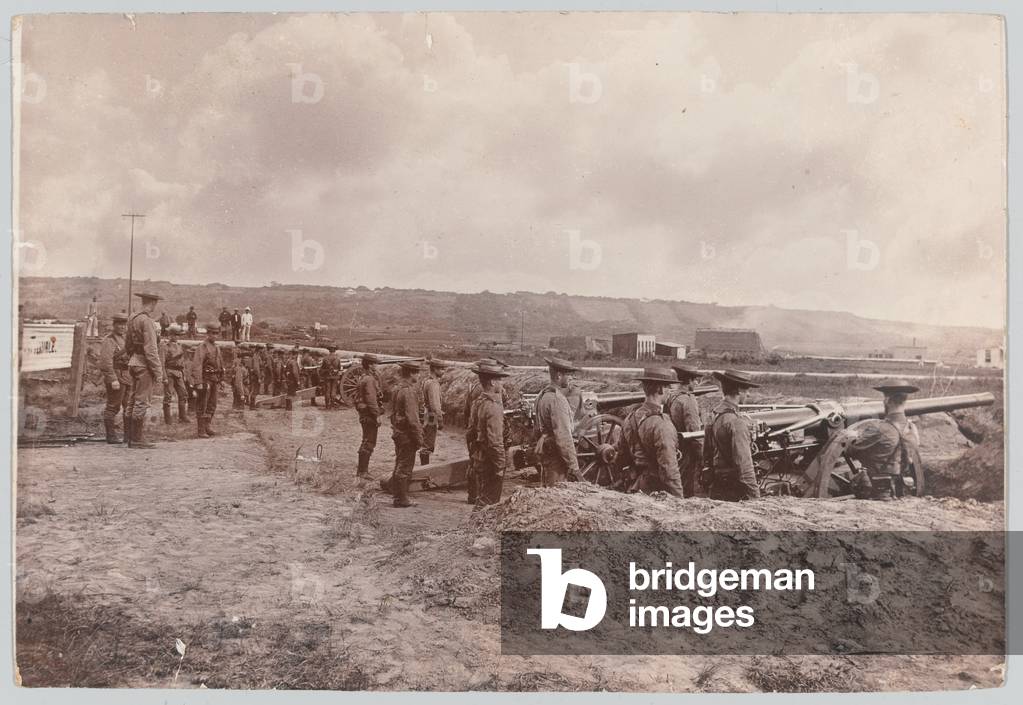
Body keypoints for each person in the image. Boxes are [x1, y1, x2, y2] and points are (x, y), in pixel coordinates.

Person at [844, 379, 923, 499]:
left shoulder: (878, 429)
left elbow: (851, 450)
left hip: (876, 492)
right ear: (904, 401)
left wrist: (851, 437)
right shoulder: (913, 429)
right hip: (902, 490)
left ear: (887, 400)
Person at [614, 368, 684, 497]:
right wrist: (679, 498)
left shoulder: (630, 418)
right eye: (668, 386)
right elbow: (669, 469)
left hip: (635, 486)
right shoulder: (661, 424)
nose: (670, 390)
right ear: (660, 389)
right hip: (656, 490)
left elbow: (621, 457)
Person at [703, 369, 761, 501]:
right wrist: (756, 499)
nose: (748, 394)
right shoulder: (737, 422)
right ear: (739, 391)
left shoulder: (714, 415)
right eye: (746, 391)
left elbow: (706, 454)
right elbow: (745, 468)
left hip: (717, 486)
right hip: (733, 491)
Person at [125, 292, 166, 449]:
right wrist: (158, 372)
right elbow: (151, 349)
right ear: (153, 303)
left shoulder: (132, 318)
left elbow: (128, 344)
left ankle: (128, 437)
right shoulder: (147, 321)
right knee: (142, 401)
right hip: (144, 365)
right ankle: (136, 439)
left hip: (134, 362)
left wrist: (133, 356)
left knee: (132, 399)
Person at [534, 357, 581, 486]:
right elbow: (563, 436)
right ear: (559, 375)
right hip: (557, 458)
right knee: (556, 494)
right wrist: (574, 467)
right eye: (569, 374)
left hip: (546, 453)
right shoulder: (557, 399)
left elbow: (537, 429)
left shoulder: (542, 395)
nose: (571, 378)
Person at [468, 361, 509, 506]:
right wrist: (500, 465)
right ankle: (478, 527)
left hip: (480, 457)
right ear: (492, 382)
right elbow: (495, 441)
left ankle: (475, 526)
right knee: (490, 502)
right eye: (499, 379)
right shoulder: (493, 407)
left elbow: (470, 432)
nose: (501, 383)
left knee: (482, 497)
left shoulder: (478, 402)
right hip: (490, 460)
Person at [664, 363, 705, 497]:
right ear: (689, 381)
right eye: (695, 380)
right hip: (687, 450)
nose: (696, 383)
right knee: (688, 486)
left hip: (675, 447)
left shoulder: (672, 397)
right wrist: (702, 457)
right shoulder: (688, 400)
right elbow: (694, 432)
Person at [389, 360, 425, 508]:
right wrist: (419, 438)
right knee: (404, 466)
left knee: (399, 463)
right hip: (407, 434)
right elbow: (413, 419)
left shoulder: (397, 388)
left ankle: (397, 495)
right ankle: (401, 499)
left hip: (398, 432)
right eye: (417, 372)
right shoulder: (409, 391)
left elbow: (393, 413)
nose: (419, 375)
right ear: (411, 373)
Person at [98, 312, 130, 443]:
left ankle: (129, 436)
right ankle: (111, 436)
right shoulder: (109, 340)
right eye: (119, 324)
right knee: (113, 407)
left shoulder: (125, 339)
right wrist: (113, 379)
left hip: (128, 377)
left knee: (129, 407)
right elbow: (106, 362)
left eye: (124, 324)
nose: (122, 327)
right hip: (116, 376)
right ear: (114, 325)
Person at [192, 323, 224, 437]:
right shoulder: (202, 347)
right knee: (202, 403)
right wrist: (198, 382)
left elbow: (220, 364)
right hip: (205, 379)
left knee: (212, 404)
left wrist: (221, 379)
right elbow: (197, 365)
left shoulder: (217, 347)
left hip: (214, 379)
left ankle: (207, 426)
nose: (215, 335)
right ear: (208, 333)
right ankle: (201, 430)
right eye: (213, 333)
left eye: (217, 333)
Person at [354, 354, 383, 477]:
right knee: (369, 442)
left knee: (366, 440)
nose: (376, 366)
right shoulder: (370, 380)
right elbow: (371, 400)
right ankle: (363, 472)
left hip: (364, 413)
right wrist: (377, 415)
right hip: (369, 414)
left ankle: (361, 470)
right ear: (370, 365)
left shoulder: (363, 377)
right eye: (375, 363)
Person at [159, 325, 190, 424]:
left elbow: (182, 363)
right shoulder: (164, 346)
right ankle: (168, 420)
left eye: (178, 335)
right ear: (170, 335)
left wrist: (183, 374)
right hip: (169, 372)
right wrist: (164, 377)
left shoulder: (180, 346)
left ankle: (182, 417)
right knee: (168, 396)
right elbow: (162, 362)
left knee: (183, 394)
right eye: (175, 335)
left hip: (179, 373)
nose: (177, 337)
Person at [419, 358, 446, 465]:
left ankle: (424, 466)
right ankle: (424, 468)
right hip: (431, 415)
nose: (443, 371)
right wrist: (440, 420)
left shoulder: (426, 381)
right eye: (441, 369)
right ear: (434, 369)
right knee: (428, 444)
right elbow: (435, 406)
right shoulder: (433, 384)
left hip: (427, 413)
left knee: (426, 442)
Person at [320, 344, 344, 409]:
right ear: (335, 350)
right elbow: (339, 368)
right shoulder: (338, 358)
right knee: (333, 390)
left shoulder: (325, 358)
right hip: (335, 376)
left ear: (329, 350)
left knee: (327, 390)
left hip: (327, 376)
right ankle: (332, 405)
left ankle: (327, 405)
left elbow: (322, 368)